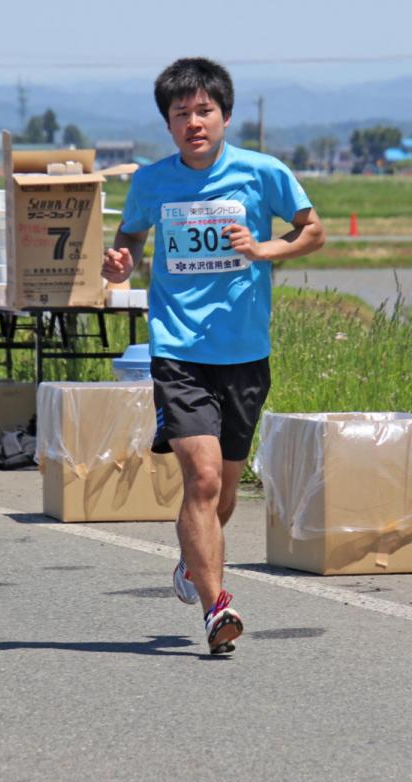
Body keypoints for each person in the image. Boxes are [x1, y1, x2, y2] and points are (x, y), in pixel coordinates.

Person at [102, 58, 325, 654]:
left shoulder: (263, 173)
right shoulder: (151, 182)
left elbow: (313, 230)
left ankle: (192, 563)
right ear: (168, 124)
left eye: (204, 111)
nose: (194, 122)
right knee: (199, 478)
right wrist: (120, 259)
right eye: (181, 114)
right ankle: (215, 608)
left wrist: (263, 248)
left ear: (225, 115)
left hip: (245, 351)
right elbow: (129, 237)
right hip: (178, 349)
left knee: (223, 494)